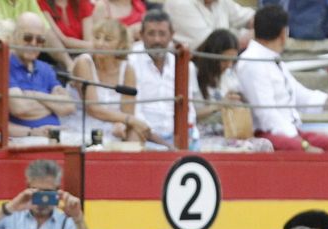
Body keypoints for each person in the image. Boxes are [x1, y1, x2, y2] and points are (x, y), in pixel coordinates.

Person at [236, 3, 328, 150]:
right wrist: (302, 144)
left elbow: (302, 96)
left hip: (290, 132)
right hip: (267, 135)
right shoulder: (252, 61)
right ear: (284, 33)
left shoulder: (273, 58)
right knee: (307, 151)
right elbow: (267, 115)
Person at [72, 16, 153, 144]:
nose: (99, 43)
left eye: (107, 40)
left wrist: (122, 125)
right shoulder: (84, 62)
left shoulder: (127, 69)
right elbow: (93, 109)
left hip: (114, 127)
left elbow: (128, 111)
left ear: (120, 45)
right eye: (97, 37)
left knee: (136, 133)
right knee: (136, 125)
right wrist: (129, 120)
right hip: (84, 127)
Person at [125, 6, 196, 146]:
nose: (157, 40)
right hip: (145, 138)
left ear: (172, 35)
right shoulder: (131, 61)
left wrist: (186, 136)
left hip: (180, 137)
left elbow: (189, 109)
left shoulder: (184, 64)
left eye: (162, 34)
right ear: (141, 34)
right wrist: (165, 145)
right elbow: (135, 113)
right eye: (151, 33)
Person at [6, 10, 74, 137]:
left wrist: (33, 95)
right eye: (27, 38)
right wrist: (53, 105)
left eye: (40, 39)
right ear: (14, 37)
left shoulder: (46, 68)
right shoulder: (6, 65)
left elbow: (68, 106)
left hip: (56, 136)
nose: (33, 43)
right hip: (22, 140)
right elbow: (20, 108)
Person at [192, 27, 250, 144]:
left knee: (264, 144)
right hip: (199, 133)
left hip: (226, 130)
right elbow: (187, 116)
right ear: (212, 55)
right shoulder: (192, 71)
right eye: (224, 60)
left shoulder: (228, 74)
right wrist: (218, 105)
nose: (229, 65)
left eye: (232, 60)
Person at [161, 0, 250, 48]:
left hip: (222, 69)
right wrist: (251, 35)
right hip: (192, 71)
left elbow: (250, 17)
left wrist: (259, 26)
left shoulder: (221, 1)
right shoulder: (179, 3)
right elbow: (212, 45)